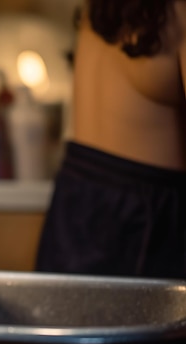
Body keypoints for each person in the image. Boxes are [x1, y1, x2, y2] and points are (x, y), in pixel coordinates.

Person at [35, 0, 186, 278]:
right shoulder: (177, 13)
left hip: (77, 190)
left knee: (65, 315)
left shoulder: (103, 8)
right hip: (143, 209)